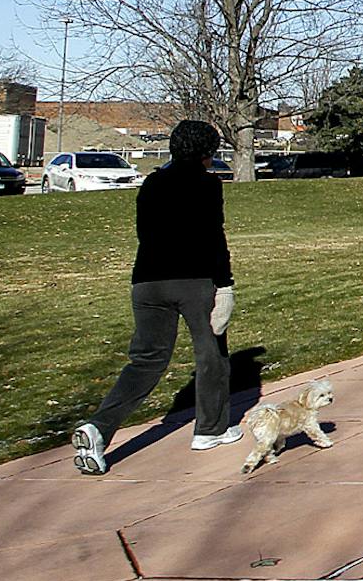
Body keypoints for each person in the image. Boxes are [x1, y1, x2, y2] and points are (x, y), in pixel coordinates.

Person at [71, 119, 238, 474]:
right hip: (194, 281)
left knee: (146, 361)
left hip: (146, 282)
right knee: (212, 353)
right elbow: (213, 237)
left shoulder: (151, 183)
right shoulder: (208, 186)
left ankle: (99, 429)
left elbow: (143, 232)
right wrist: (225, 285)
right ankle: (211, 429)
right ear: (207, 153)